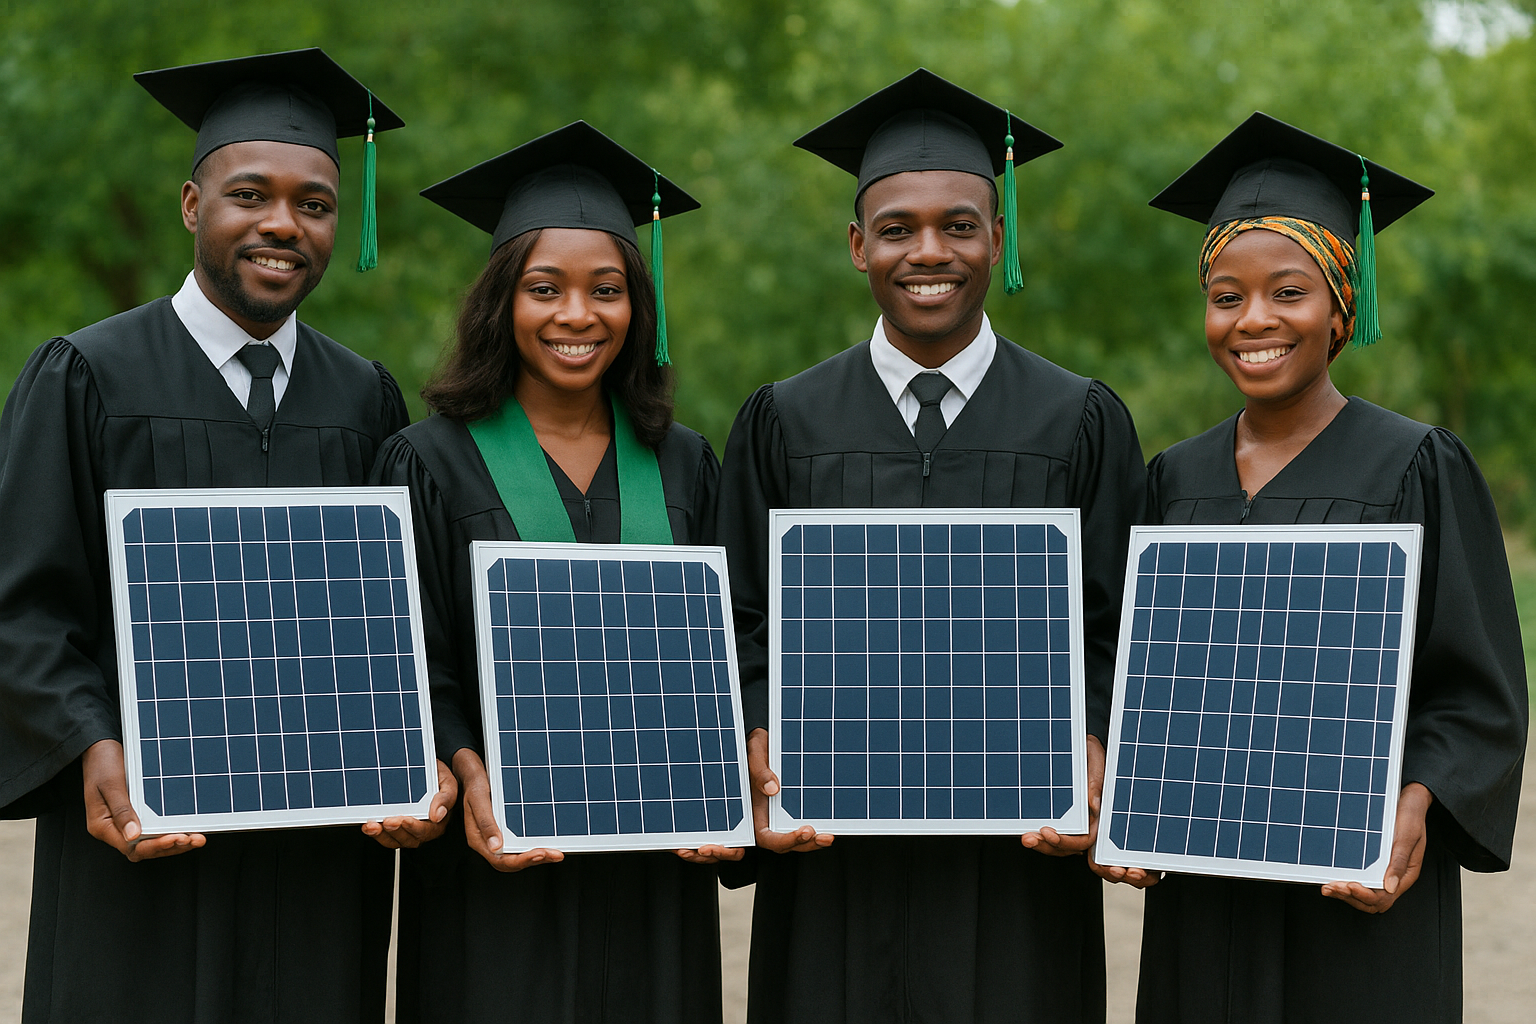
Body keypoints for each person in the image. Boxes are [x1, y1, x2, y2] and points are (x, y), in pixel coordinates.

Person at [0, 48, 456, 1023]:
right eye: (250, 194)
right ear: (190, 203)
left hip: (319, 853)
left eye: (316, 203)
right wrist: (87, 744)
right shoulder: (85, 375)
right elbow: (27, 606)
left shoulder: (364, 395)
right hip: (141, 842)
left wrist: (413, 750)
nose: (283, 225)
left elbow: (398, 613)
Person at [716, 69, 1147, 1023]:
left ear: (999, 239)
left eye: (960, 224)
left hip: (1018, 869)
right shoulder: (785, 420)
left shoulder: (1079, 419)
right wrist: (754, 737)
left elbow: (1129, 625)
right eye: (898, 227)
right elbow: (738, 617)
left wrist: (1097, 743)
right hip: (833, 861)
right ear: (857, 244)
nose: (929, 251)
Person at [1124, 112, 1528, 1023]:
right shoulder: (1173, 478)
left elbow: (1477, 692)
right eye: (1226, 296)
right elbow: (1139, 676)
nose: (1254, 319)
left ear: (1344, 304)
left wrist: (1418, 803)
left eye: (1289, 292)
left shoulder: (1417, 465)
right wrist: (1130, 799)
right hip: (1206, 885)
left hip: (1353, 890)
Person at [373, 120, 739, 1024]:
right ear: (502, 301)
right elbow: (413, 661)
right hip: (495, 870)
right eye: (546, 289)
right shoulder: (428, 461)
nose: (577, 316)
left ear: (635, 306)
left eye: (605, 290)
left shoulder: (686, 462)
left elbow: (734, 651)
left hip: (659, 873)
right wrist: (464, 765)